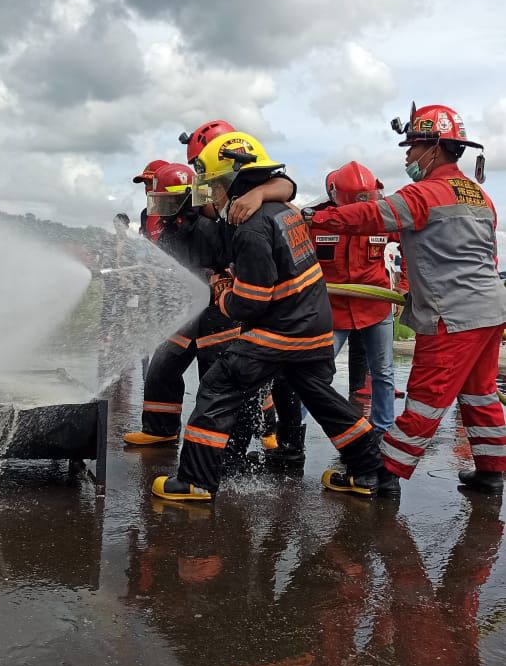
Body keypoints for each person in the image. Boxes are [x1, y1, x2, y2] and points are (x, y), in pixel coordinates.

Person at [151, 131, 385, 502]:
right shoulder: (282, 211)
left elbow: (252, 302)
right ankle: (370, 472)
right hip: (314, 327)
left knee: (218, 386)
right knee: (323, 398)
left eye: (213, 186)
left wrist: (222, 291)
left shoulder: (253, 227)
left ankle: (195, 481)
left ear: (233, 181)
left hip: (282, 331)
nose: (210, 195)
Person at [309, 102, 506, 496]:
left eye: (413, 147)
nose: (407, 155)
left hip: (453, 315)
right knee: (480, 394)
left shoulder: (423, 193)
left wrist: (314, 219)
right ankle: (490, 472)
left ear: (434, 147)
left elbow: (366, 217)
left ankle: (384, 475)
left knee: (425, 400)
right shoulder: (480, 196)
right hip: (490, 309)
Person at [123, 154, 297, 451]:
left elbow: (237, 260)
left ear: (185, 200)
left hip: (220, 314)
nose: (159, 209)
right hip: (187, 312)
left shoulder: (210, 225)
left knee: (221, 377)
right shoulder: (168, 230)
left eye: (166, 202)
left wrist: (223, 282)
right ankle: (160, 428)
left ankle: (265, 429)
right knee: (162, 367)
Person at [309, 161, 395, 434]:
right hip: (333, 311)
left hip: (376, 308)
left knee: (383, 373)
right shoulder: (314, 222)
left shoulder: (383, 220)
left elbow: (414, 246)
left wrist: (404, 286)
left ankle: (383, 432)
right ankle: (294, 433)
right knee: (312, 374)